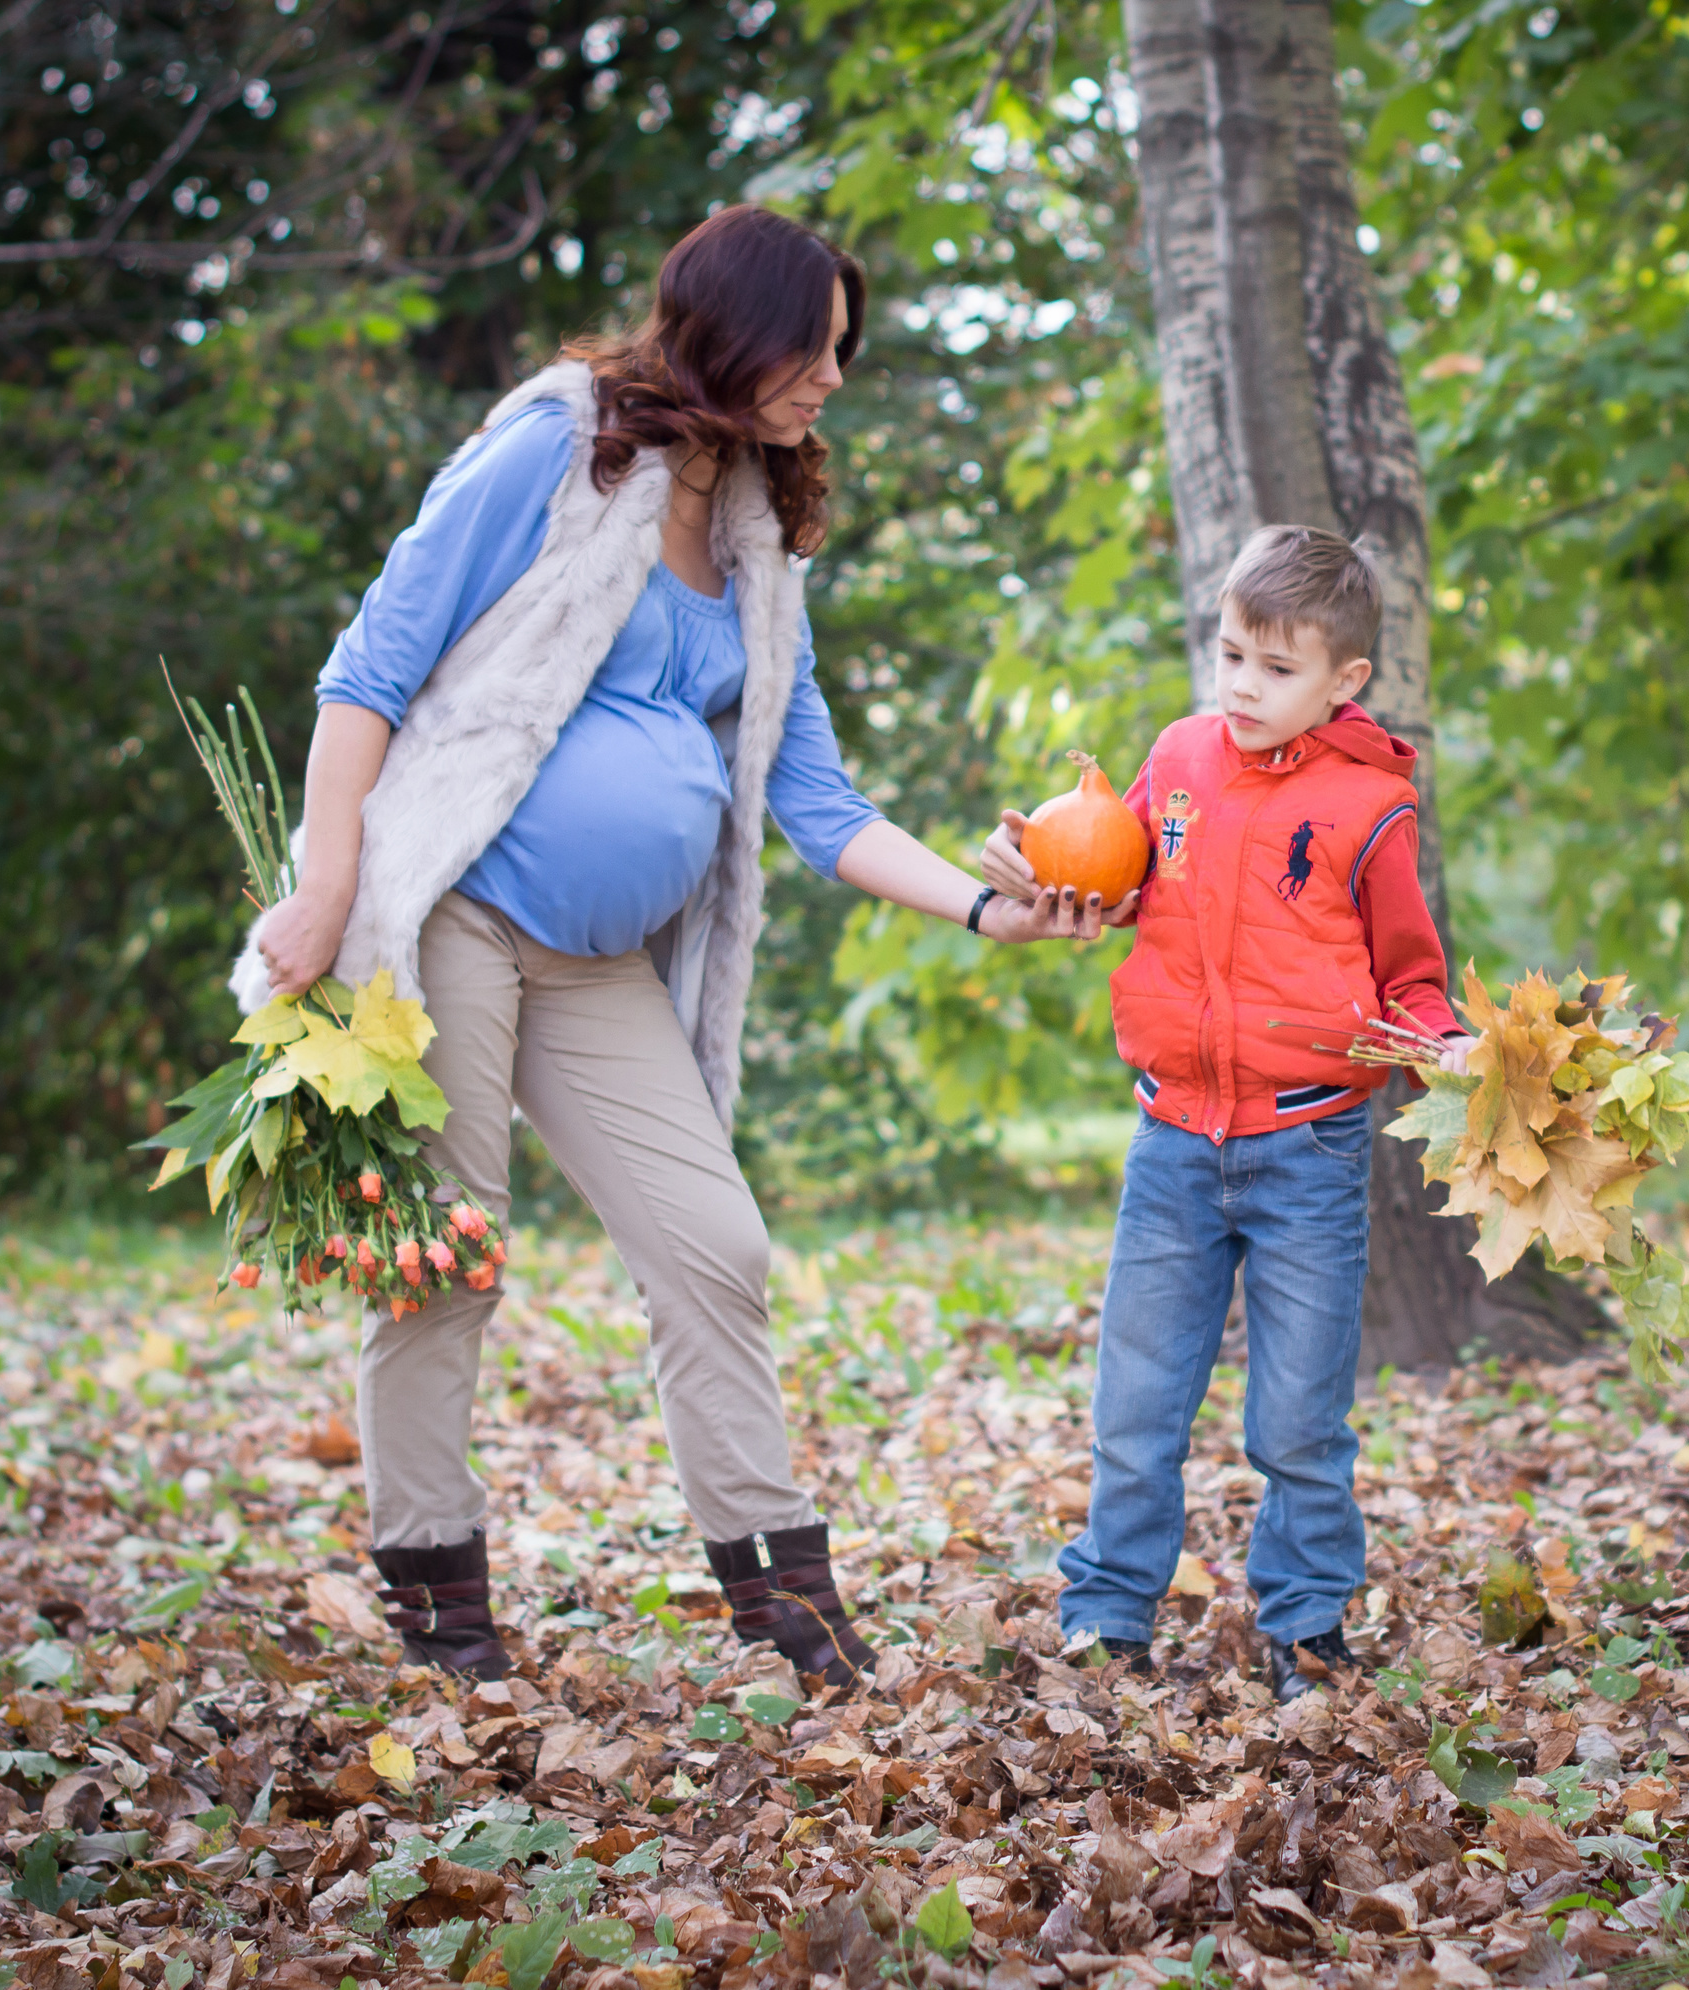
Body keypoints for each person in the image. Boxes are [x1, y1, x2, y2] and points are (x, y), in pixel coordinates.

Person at [237, 205, 1115, 1686]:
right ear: (732, 332)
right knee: (446, 1256)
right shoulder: (559, 448)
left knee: (717, 1244)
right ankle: (441, 1608)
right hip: (456, 907)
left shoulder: (760, 545)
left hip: (597, 965)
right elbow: (368, 668)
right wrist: (327, 886)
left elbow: (820, 805)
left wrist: (991, 906)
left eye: (843, 352)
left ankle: (783, 1596)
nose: (833, 378)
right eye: (814, 348)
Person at [983, 526, 1475, 1701]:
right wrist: (1034, 868)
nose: (1242, 687)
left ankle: (1306, 1624)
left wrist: (1448, 1047)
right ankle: (1108, 1615)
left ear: (1344, 679)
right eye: (1230, 656)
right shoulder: (1178, 757)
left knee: (1299, 1416)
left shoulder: (1371, 805)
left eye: (1276, 667)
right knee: (1135, 1401)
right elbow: (1111, 873)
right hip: (1172, 1141)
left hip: (1307, 1146)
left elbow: (1409, 974)